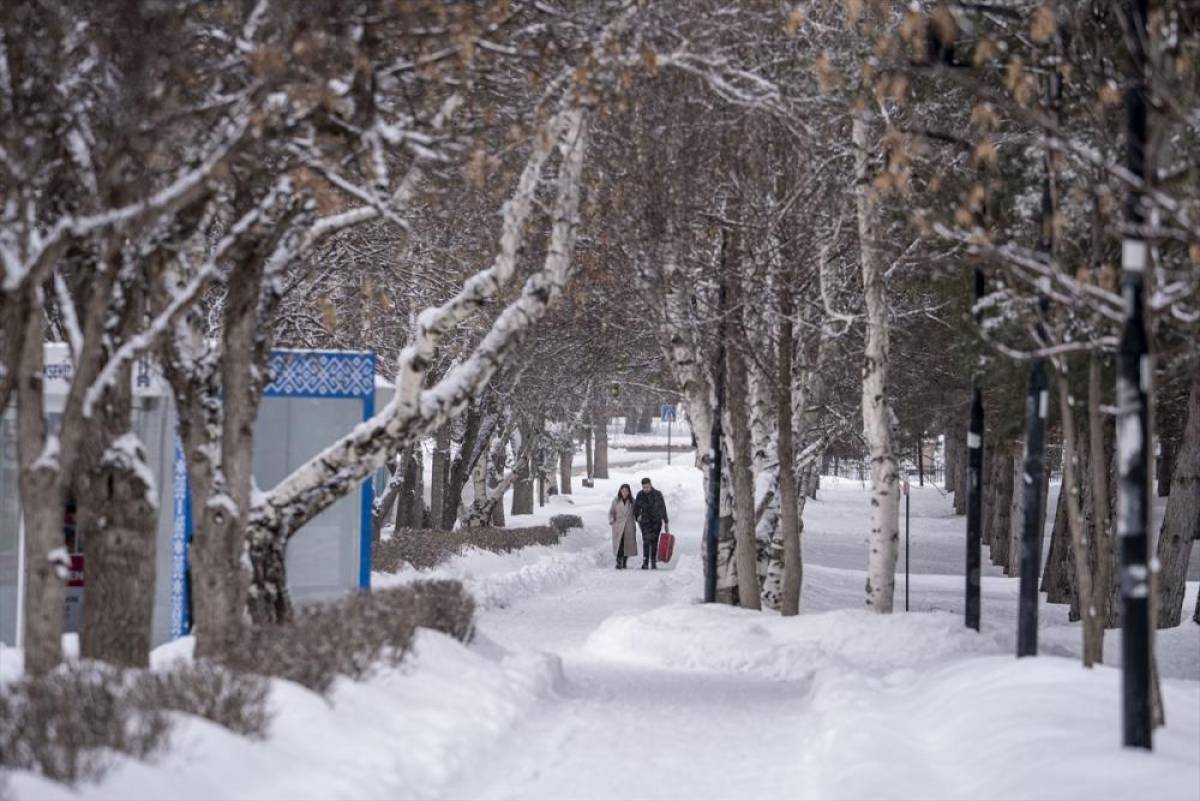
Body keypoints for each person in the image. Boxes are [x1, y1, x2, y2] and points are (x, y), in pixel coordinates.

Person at [633, 477, 669, 570]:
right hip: (645, 522)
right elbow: (636, 508)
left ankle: (653, 561)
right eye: (644, 487)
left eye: (647, 487)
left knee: (654, 541)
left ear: (650, 485)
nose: (646, 489)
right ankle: (645, 562)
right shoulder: (640, 495)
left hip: (656, 521)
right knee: (646, 541)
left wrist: (666, 521)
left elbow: (663, 508)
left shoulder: (658, 494)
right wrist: (637, 516)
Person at [608, 484, 637, 570]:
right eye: (623, 490)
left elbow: (637, 513)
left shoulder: (632, 501)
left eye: (626, 491)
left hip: (629, 525)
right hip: (618, 525)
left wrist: (639, 518)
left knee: (627, 545)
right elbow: (611, 512)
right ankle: (619, 561)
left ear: (629, 492)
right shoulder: (616, 501)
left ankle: (624, 561)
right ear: (620, 491)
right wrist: (611, 519)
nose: (624, 492)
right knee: (619, 544)